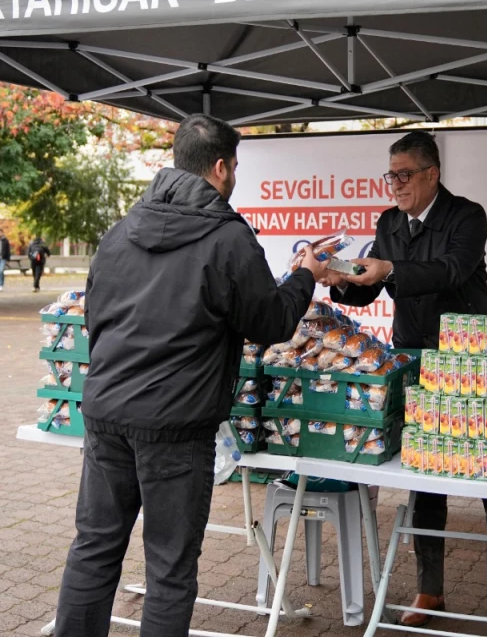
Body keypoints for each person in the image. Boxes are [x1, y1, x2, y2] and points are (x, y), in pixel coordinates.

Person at [55, 114, 327, 637]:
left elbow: (95, 319)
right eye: (236, 167)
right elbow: (268, 322)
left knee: (94, 547)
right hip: (176, 429)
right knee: (170, 569)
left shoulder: (119, 232)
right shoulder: (227, 237)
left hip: (107, 414)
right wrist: (304, 276)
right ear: (222, 167)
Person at [321, 131, 487, 633]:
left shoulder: (466, 216)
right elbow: (372, 290)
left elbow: (451, 270)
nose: (395, 185)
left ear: (433, 174)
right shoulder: (389, 223)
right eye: (390, 175)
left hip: (473, 359)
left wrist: (389, 268)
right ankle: (429, 588)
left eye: (404, 174)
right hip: (415, 358)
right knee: (424, 477)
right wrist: (340, 278)